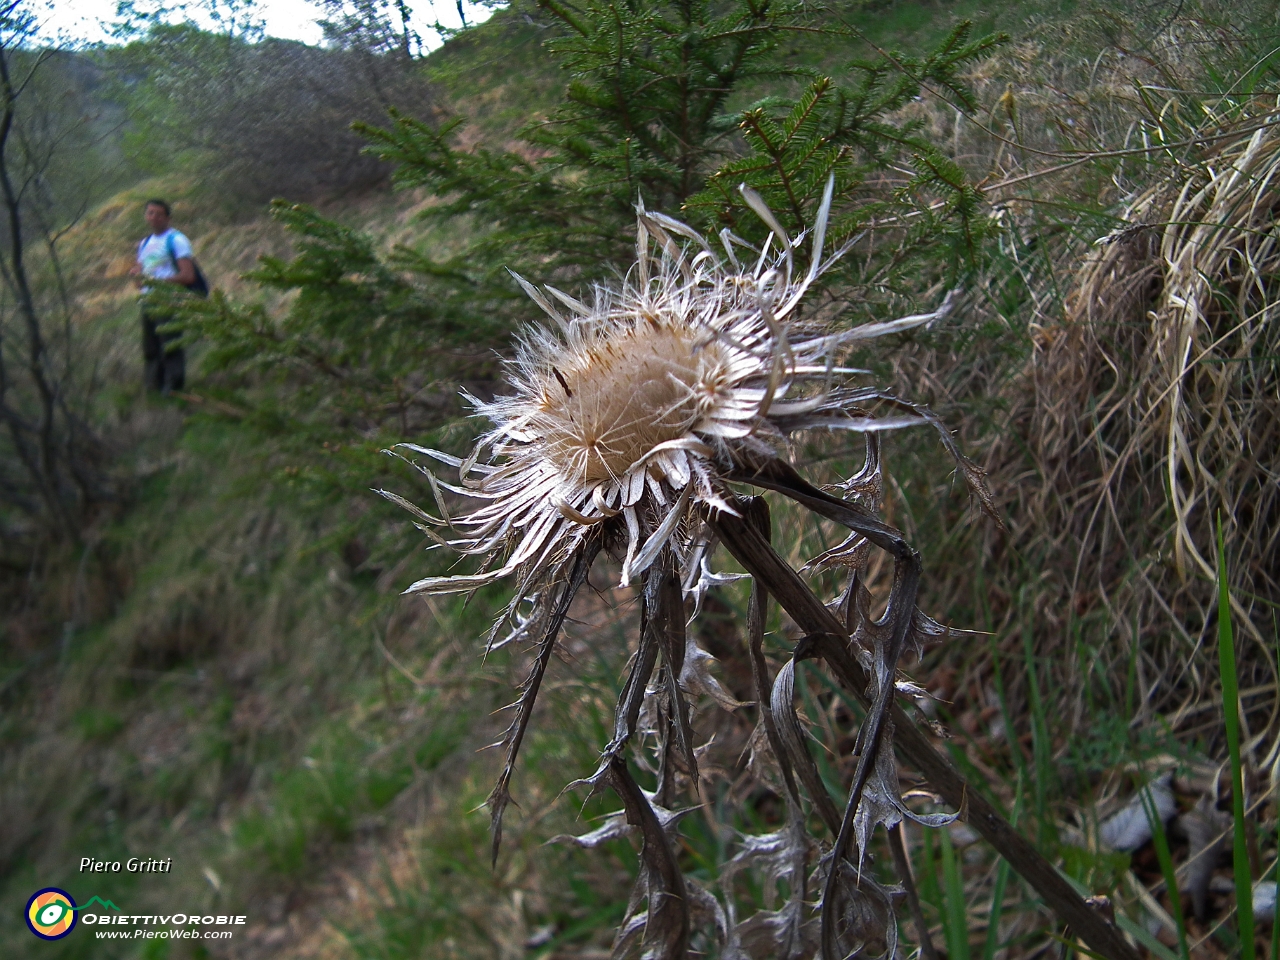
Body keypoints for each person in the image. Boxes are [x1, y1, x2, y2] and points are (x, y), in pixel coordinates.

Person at [129, 199, 196, 395]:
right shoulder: (145, 243)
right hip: (148, 301)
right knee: (150, 346)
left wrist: (160, 283)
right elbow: (140, 278)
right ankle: (153, 387)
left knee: (170, 345)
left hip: (169, 301)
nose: (154, 218)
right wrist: (136, 277)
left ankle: (173, 388)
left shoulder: (177, 240)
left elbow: (188, 275)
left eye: (158, 214)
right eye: (150, 213)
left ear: (167, 217)